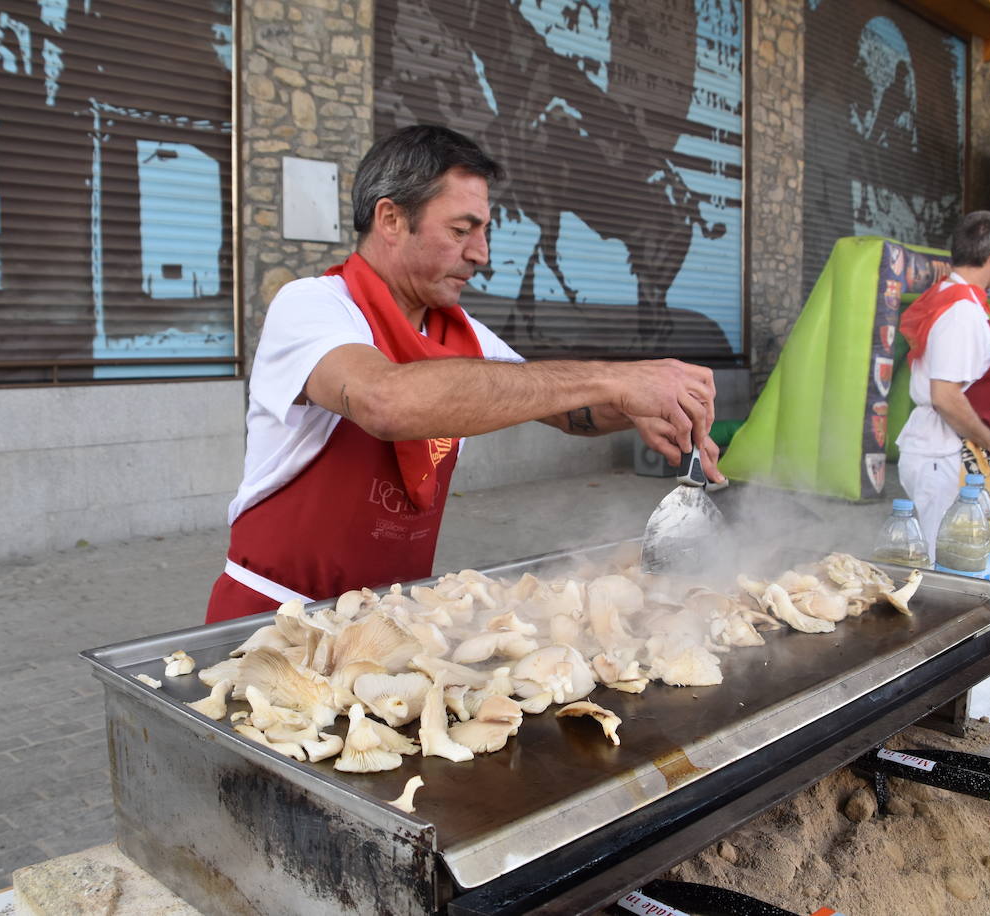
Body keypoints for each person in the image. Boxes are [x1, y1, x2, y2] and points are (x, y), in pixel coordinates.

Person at [204, 125, 723, 623]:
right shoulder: (313, 306)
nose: (482, 254)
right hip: (277, 615)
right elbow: (385, 401)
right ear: (390, 219)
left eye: (484, 232)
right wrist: (617, 379)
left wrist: (649, 407)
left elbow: (568, 409)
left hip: (389, 617)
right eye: (460, 231)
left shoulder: (466, 335)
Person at [896, 211, 990, 554]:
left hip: (941, 448)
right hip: (939, 452)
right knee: (947, 557)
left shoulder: (948, 295)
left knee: (959, 551)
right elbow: (945, 396)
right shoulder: (961, 312)